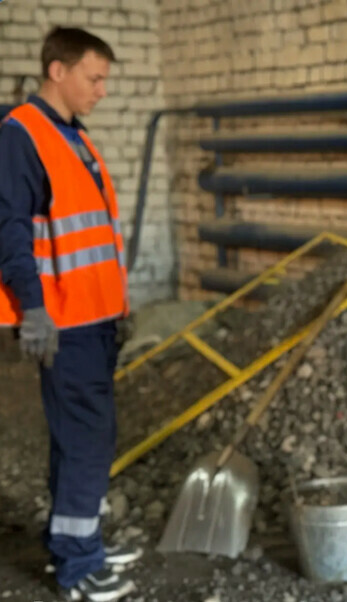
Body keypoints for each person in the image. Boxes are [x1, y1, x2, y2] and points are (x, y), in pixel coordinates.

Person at [0, 27, 140, 602]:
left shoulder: (72, 135)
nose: (102, 91)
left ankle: (80, 543)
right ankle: (78, 568)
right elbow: (8, 229)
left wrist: (121, 307)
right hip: (63, 321)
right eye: (95, 77)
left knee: (83, 437)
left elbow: (95, 236)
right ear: (57, 71)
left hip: (96, 317)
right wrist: (32, 309)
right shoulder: (21, 136)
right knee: (86, 438)